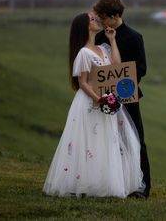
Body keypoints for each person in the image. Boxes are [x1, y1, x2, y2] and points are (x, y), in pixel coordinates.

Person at [43, 12, 145, 198]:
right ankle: (83, 183)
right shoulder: (83, 53)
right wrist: (98, 99)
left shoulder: (103, 48)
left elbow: (116, 66)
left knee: (106, 141)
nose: (96, 20)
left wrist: (112, 40)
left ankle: (103, 183)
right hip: (91, 102)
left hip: (105, 101)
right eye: (92, 19)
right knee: (89, 141)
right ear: (85, 26)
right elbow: (82, 82)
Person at [93, 0, 151, 198]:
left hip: (128, 96)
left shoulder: (134, 37)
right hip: (105, 97)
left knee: (136, 140)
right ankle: (111, 183)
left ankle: (142, 187)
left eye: (103, 18)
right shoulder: (99, 38)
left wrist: (123, 80)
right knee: (107, 139)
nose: (101, 22)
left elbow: (142, 68)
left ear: (115, 16)